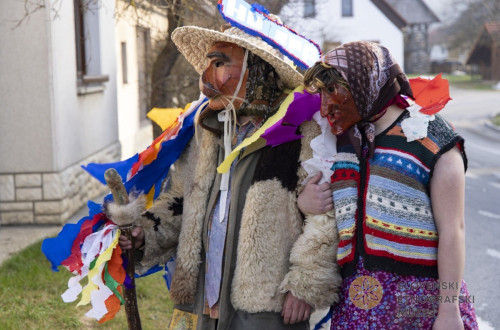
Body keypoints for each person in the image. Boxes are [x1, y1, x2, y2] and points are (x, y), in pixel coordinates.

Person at [109, 13, 341, 330]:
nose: (206, 75)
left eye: (220, 64)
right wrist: (144, 232)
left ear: (256, 69)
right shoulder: (208, 128)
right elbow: (181, 197)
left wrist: (305, 284)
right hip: (204, 297)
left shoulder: (300, 128)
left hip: (264, 304)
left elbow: (323, 217)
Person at [298, 41, 478, 329]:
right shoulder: (339, 141)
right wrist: (305, 203)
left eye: (334, 90)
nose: (325, 104)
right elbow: (327, 214)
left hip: (419, 304)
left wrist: (449, 311)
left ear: (366, 83)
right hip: (356, 303)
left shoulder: (433, 139)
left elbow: (452, 231)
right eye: (322, 92)